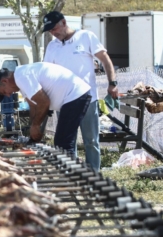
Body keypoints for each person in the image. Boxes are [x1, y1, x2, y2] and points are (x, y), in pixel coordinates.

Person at [42, 11, 118, 172]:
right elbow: (46, 73)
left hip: (87, 100)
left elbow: (105, 60)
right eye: (49, 31)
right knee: (68, 141)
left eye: (54, 28)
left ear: (63, 22)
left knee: (91, 140)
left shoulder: (86, 37)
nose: (53, 33)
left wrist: (112, 83)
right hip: (62, 102)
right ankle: (73, 175)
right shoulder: (52, 46)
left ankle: (94, 175)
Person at [0, 63, 91, 156]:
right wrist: (33, 129)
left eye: (4, 92)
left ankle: (72, 174)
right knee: (63, 141)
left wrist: (36, 125)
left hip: (75, 95)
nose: (8, 95)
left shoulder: (22, 77)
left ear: (4, 81)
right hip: (73, 97)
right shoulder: (21, 80)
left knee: (63, 142)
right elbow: (34, 106)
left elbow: (44, 102)